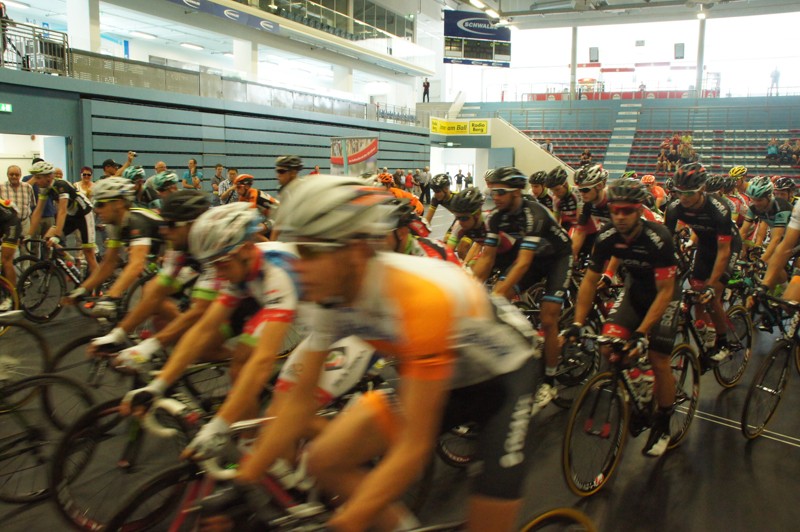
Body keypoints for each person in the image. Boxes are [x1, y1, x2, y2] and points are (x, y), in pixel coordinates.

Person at [237, 175, 539, 532]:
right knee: (322, 461)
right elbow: (298, 402)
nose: (297, 268)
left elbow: (413, 449)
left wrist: (346, 523)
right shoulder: (327, 294)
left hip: (505, 379)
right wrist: (243, 480)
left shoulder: (420, 298)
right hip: (444, 376)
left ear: (356, 251)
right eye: (295, 250)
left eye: (311, 252)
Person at [121, 203, 302, 460]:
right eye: (213, 265)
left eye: (221, 264)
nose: (219, 274)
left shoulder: (277, 271)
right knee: (239, 364)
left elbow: (263, 360)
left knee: (285, 407)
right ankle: (251, 439)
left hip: (322, 321)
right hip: (279, 304)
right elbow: (205, 328)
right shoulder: (238, 266)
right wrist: (157, 385)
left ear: (245, 250)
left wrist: (219, 426)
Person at [564, 179, 680, 457]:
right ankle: (638, 377)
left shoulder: (658, 237)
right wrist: (578, 323)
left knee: (658, 358)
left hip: (665, 292)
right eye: (615, 210)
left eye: (627, 211)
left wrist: (641, 333)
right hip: (635, 288)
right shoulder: (607, 236)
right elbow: (589, 281)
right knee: (608, 345)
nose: (620, 216)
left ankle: (663, 424)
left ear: (639, 210)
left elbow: (665, 292)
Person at [472, 167, 572, 414]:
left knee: (548, 318)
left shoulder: (534, 213)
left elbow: (524, 263)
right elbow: (487, 258)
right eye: (492, 192)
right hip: (535, 258)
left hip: (557, 258)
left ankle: (549, 381)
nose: (495, 197)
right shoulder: (496, 217)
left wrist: (495, 297)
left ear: (516, 192)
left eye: (500, 192)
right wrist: (469, 288)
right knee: (496, 301)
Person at [89, 190, 214, 367]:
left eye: (170, 225)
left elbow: (200, 310)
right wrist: (117, 335)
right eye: (163, 223)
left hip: (241, 288)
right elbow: (156, 293)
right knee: (154, 295)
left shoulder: (216, 250)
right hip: (195, 264)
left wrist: (148, 347)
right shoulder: (179, 246)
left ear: (193, 224)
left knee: (207, 348)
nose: (163, 231)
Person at [664, 163, 741, 365]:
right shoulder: (674, 208)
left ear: (702, 189)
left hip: (728, 247)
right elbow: (665, 244)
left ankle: (723, 342)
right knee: (697, 293)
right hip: (706, 245)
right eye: (679, 192)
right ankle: (706, 331)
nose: (683, 198)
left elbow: (724, 251)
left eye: (689, 193)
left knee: (711, 294)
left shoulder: (719, 209)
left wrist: (712, 285)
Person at [65, 177, 163, 311]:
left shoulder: (136, 221)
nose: (96, 210)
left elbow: (136, 265)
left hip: (179, 255)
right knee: (153, 306)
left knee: (156, 302)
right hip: (160, 257)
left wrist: (112, 295)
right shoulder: (114, 225)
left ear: (118, 203)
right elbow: (108, 263)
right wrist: (82, 289)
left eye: (100, 204)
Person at [27, 160, 98, 275]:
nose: (36, 180)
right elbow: (38, 211)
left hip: (84, 214)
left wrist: (57, 235)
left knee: (88, 252)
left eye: (38, 177)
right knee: (48, 239)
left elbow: (62, 210)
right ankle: (73, 260)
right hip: (71, 215)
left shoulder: (61, 185)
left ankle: (97, 283)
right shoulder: (44, 188)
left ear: (48, 177)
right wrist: (28, 235)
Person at [0, 164, 35, 234]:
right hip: (8, 225)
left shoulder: (28, 187)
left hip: (25, 223)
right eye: (11, 174)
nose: (14, 176)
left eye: (17, 174)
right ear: (7, 175)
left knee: (26, 240)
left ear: (20, 175)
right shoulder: (1, 187)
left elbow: (32, 204)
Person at [547, 166, 580, 232]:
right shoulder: (555, 199)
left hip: (580, 226)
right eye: (552, 190)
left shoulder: (577, 192)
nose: (555, 194)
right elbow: (555, 221)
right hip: (567, 227)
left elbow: (580, 219)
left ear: (566, 184)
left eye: (557, 189)